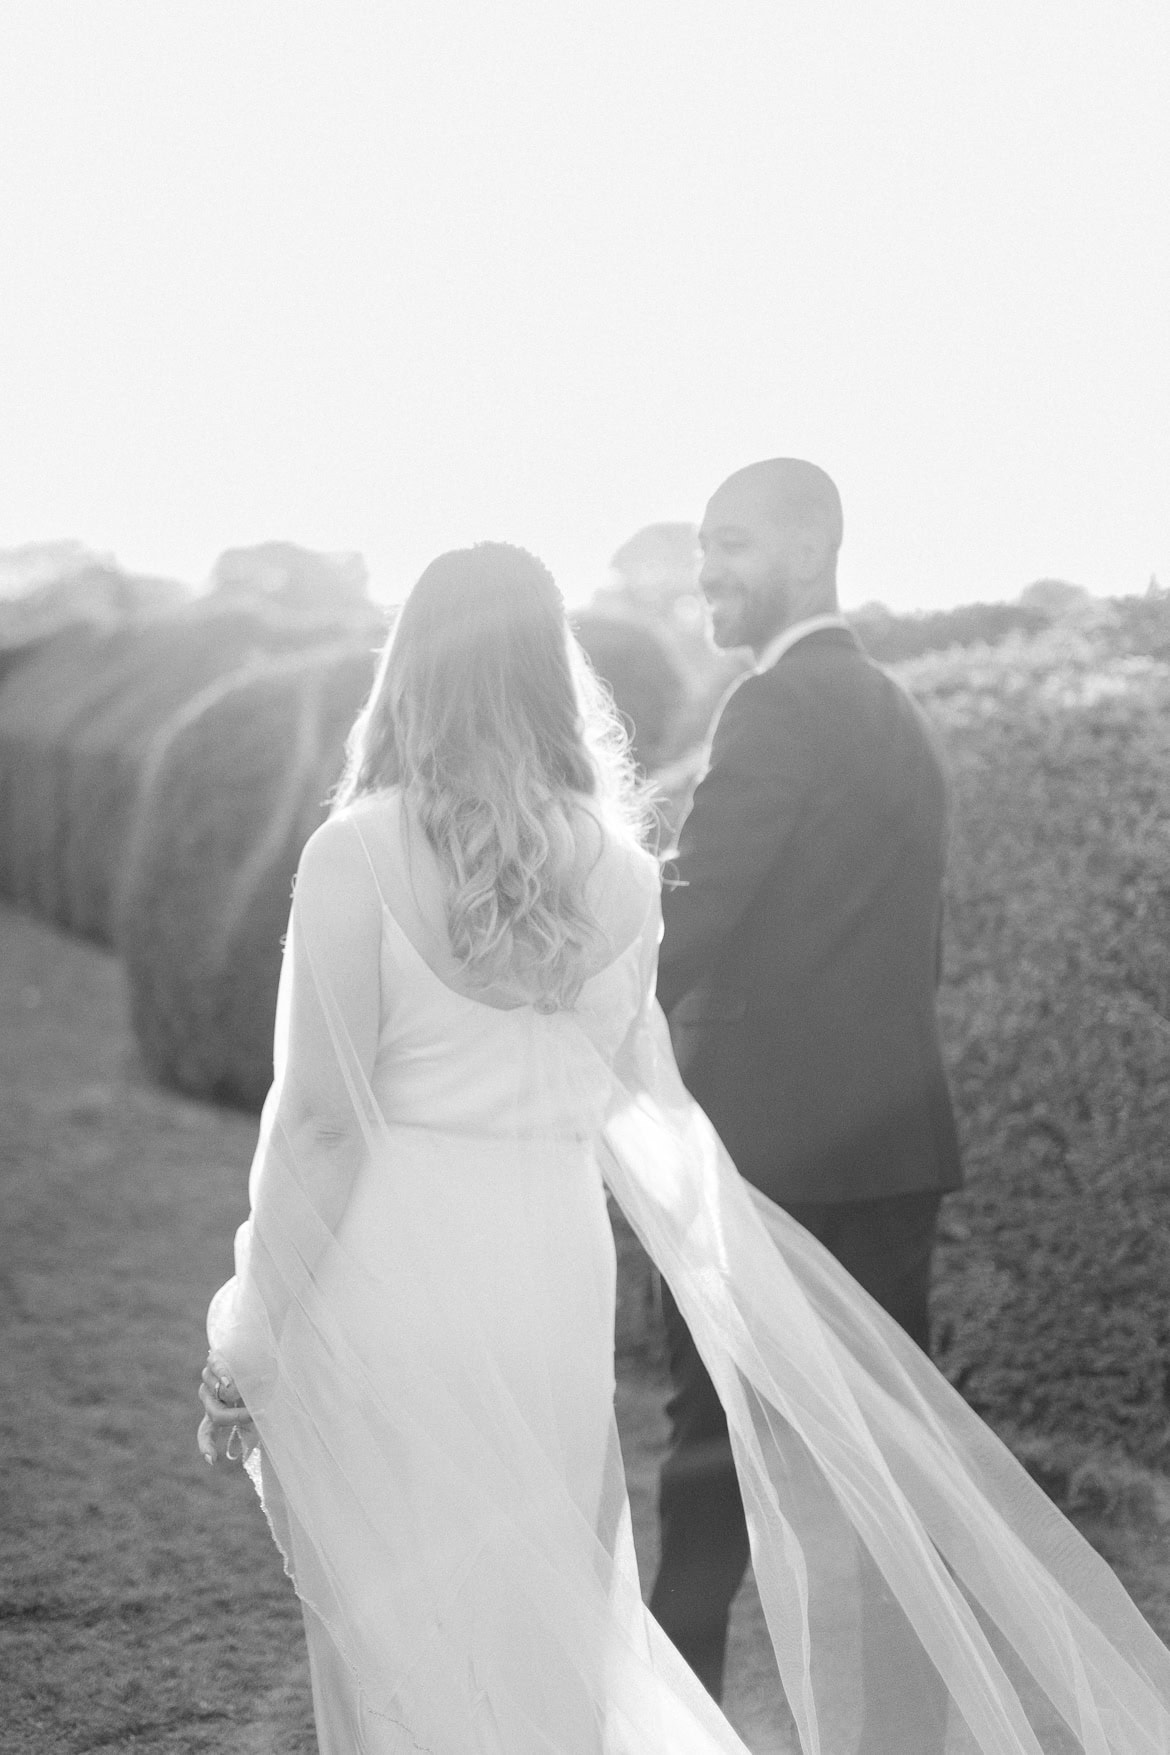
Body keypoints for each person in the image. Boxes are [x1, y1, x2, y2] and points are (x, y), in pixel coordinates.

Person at [198, 541, 1170, 1754]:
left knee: (401, 1611)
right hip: (547, 1257)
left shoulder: (358, 852)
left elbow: (324, 1120)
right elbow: (620, 1090)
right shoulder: (620, 872)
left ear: (412, 670)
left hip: (398, 1258)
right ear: (554, 675)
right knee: (548, 1578)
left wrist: (254, 1324)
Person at [649, 458, 963, 1703]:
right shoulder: (894, 711)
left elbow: (699, 910)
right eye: (700, 547)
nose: (705, 573)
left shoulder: (775, 708)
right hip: (892, 1158)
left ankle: (674, 1726)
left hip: (768, 1161)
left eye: (729, 544)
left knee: (705, 1470)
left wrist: (565, 970)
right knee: (892, 1482)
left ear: (809, 547)